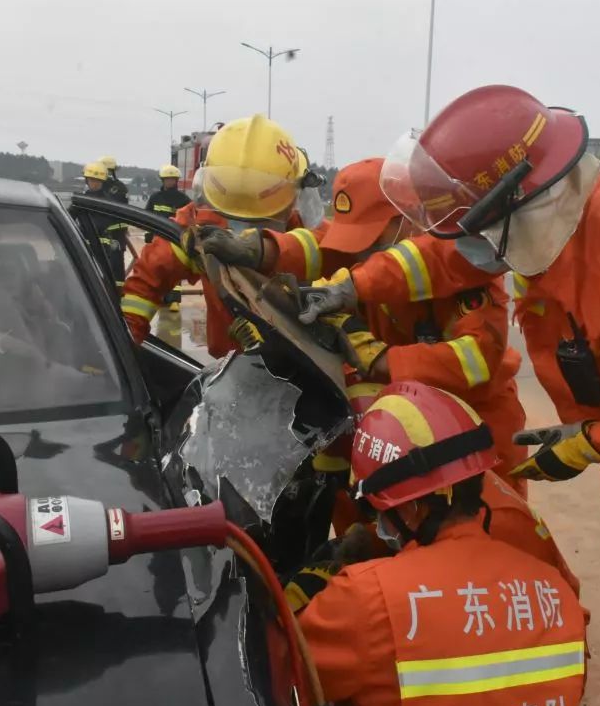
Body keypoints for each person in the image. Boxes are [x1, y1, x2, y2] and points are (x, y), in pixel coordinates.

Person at [300, 85, 600, 706]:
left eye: (480, 224)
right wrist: (356, 287)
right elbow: (445, 256)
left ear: (519, 202)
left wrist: (589, 443)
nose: (473, 245)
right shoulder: (549, 217)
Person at [204, 158, 529, 489]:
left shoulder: (467, 268)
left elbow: (477, 363)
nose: (362, 254)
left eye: (371, 240)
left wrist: (381, 359)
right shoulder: (364, 249)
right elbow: (315, 247)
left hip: (475, 423)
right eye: (354, 241)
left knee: (483, 528)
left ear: (408, 219)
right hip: (396, 416)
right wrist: (261, 249)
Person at [295, 380, 587, 706]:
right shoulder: (555, 593)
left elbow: (287, 673)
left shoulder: (364, 597)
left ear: (409, 508)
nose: (377, 524)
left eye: (377, 511)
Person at [120, 115, 327, 356]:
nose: (245, 227)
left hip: (305, 364)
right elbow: (149, 279)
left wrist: (267, 251)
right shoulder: (199, 226)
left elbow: (338, 252)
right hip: (234, 365)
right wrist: (124, 344)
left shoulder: (303, 230)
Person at [144, 164, 192, 311]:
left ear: (176, 181)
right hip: (157, 238)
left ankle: (174, 300)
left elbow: (189, 220)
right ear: (162, 180)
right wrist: (148, 234)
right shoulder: (155, 198)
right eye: (167, 179)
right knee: (157, 269)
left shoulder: (183, 199)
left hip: (174, 239)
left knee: (174, 270)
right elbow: (147, 216)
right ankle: (159, 297)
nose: (170, 182)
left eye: (172, 179)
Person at [80, 161, 126, 284]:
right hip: (83, 247)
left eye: (97, 181)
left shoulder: (108, 202)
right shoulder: (80, 200)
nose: (94, 184)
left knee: (105, 280)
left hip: (104, 249)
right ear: (87, 181)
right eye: (91, 180)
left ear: (102, 182)